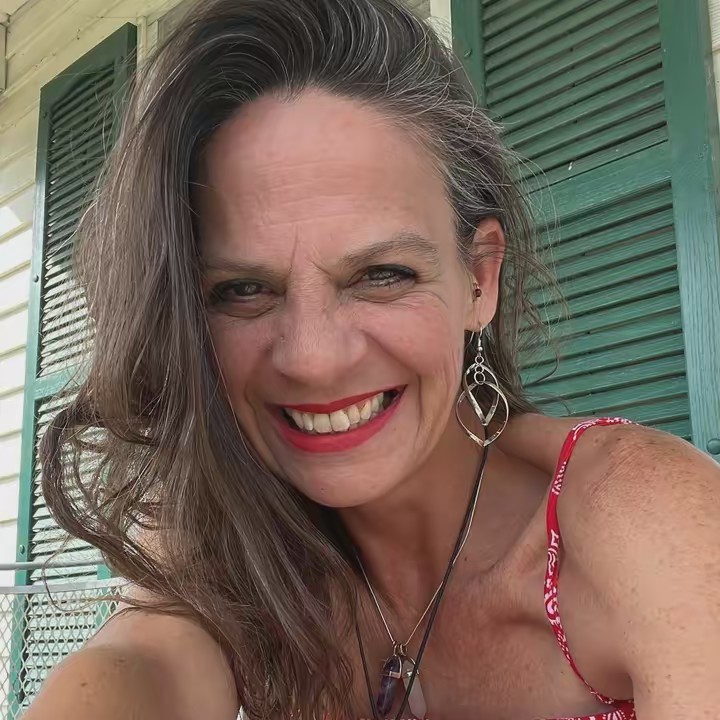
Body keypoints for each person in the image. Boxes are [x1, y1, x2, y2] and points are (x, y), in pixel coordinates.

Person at [25, 0, 720, 718]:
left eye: (382, 274)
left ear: (479, 279)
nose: (314, 359)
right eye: (243, 290)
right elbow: (141, 665)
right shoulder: (226, 534)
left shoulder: (641, 519)